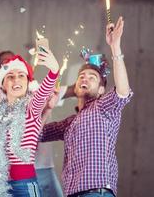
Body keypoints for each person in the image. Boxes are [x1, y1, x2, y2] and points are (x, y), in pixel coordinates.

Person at [40, 17, 133, 197]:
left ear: (101, 89)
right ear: (75, 87)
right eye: (82, 76)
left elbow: (123, 92)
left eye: (92, 77)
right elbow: (35, 134)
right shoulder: (69, 122)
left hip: (96, 192)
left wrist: (115, 47)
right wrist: (48, 109)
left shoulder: (104, 107)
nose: (85, 78)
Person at [0, 48, 60, 196]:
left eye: (21, 75)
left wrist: (54, 70)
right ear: (2, 84)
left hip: (24, 184)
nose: (16, 80)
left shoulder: (31, 108)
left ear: (27, 83)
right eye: (10, 76)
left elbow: (43, 92)